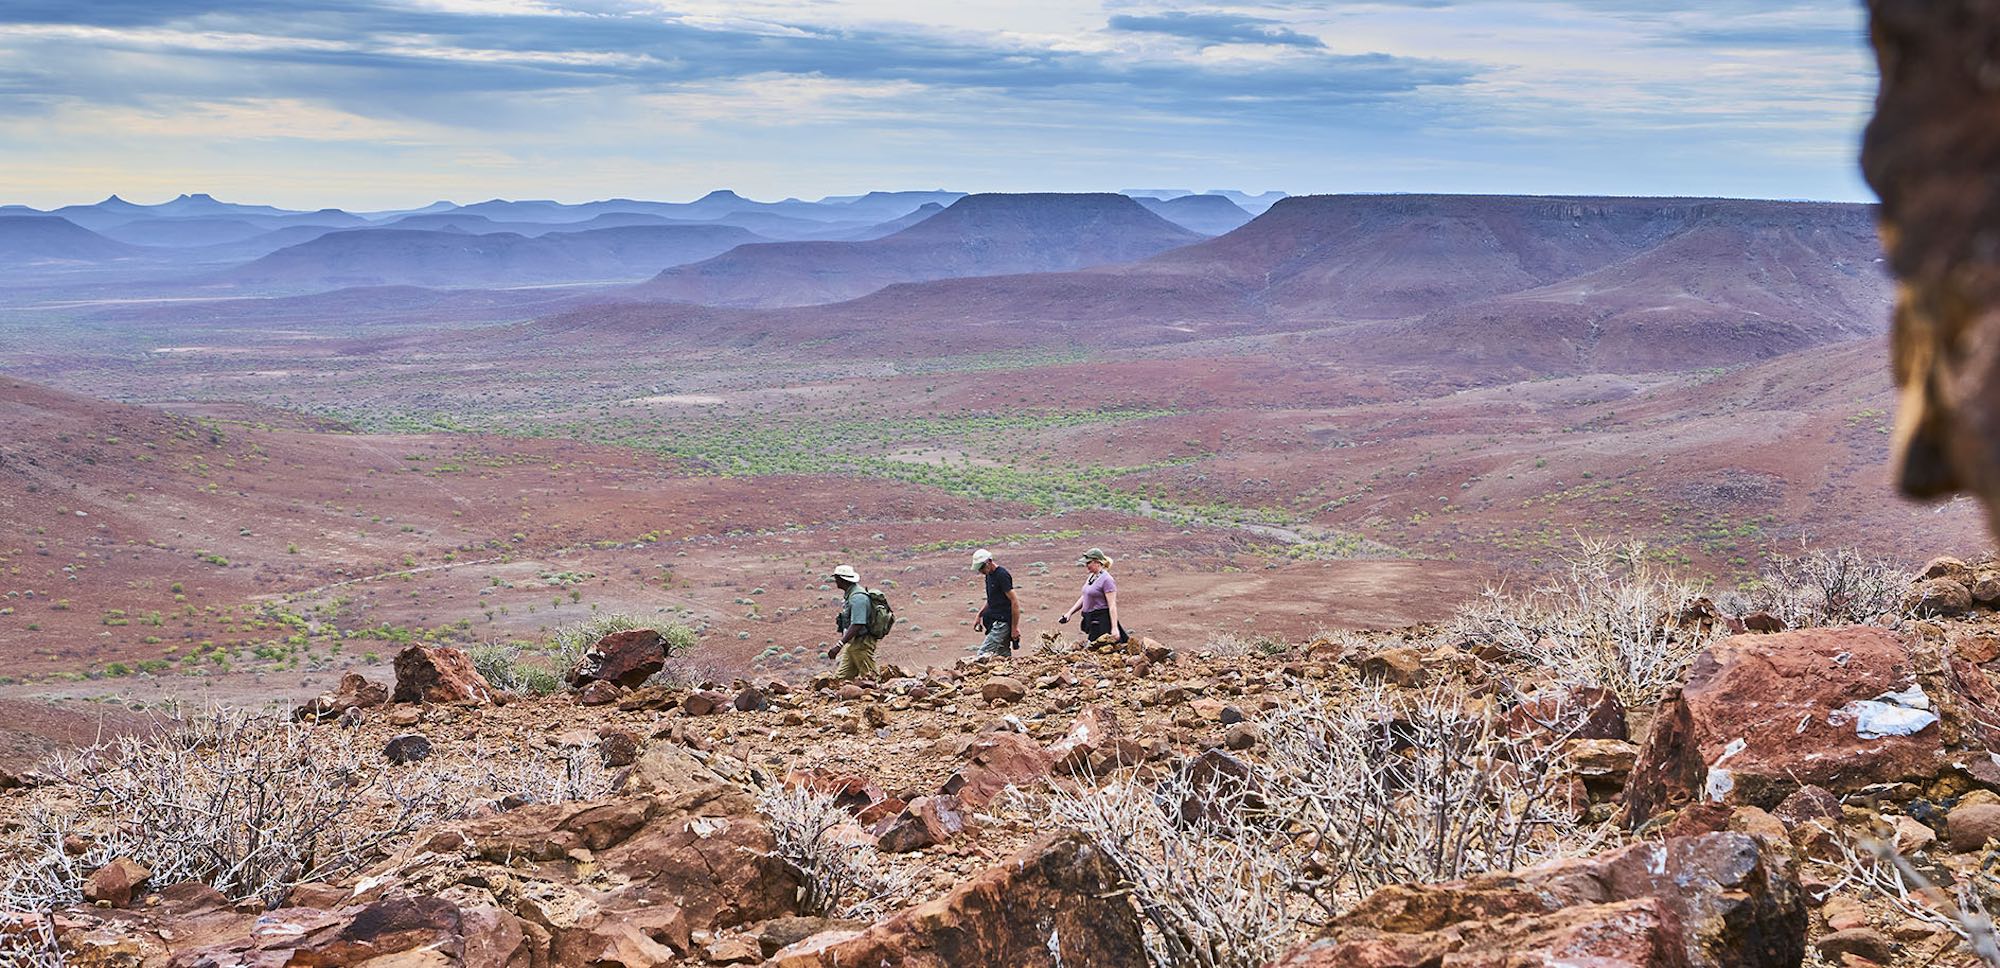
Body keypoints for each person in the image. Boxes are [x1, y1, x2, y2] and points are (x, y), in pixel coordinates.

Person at [1057, 547, 1127, 644]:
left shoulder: (1107, 580)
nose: (1086, 565)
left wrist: (1114, 628)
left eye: (1088, 563)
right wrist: (1069, 613)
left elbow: (1112, 605)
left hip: (1101, 621)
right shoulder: (1092, 576)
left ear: (1097, 562)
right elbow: (1085, 596)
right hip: (1091, 619)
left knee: (1099, 649)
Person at [825, 564, 878, 680]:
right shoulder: (851, 594)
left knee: (871, 677)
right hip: (854, 644)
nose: (835, 581)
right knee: (840, 679)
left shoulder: (857, 597)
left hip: (861, 644)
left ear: (842, 579)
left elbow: (858, 624)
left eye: (837, 578)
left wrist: (839, 645)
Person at [971, 548, 1019, 658]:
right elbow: (991, 599)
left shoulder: (1001, 575)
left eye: (981, 568)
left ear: (988, 562)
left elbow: (1014, 601)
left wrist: (1014, 627)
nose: (981, 572)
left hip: (1002, 622)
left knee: (982, 654)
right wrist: (979, 615)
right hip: (994, 620)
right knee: (1002, 654)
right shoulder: (989, 576)